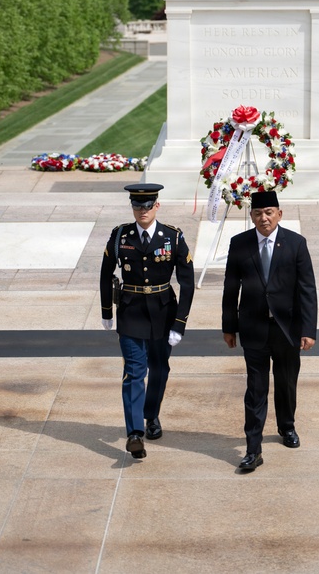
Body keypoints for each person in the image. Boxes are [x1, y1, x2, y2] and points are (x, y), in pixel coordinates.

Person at [222, 190, 317, 472]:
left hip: (287, 330)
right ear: (251, 216)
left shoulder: (296, 244)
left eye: (269, 213)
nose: (263, 219)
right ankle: (253, 449)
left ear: (279, 214)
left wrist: (308, 329)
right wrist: (229, 327)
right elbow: (230, 289)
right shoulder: (239, 244)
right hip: (253, 329)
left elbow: (307, 289)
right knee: (255, 389)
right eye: (257, 214)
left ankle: (287, 427)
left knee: (287, 383)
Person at [99, 183, 194, 459]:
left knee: (159, 369)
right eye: (137, 206)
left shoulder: (172, 237)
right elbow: (106, 273)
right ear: (132, 207)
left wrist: (180, 322)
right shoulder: (120, 236)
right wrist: (107, 311)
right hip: (131, 311)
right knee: (134, 372)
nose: (143, 211)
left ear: (157, 206)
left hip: (163, 312)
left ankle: (151, 415)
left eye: (148, 206)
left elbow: (187, 283)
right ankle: (135, 433)